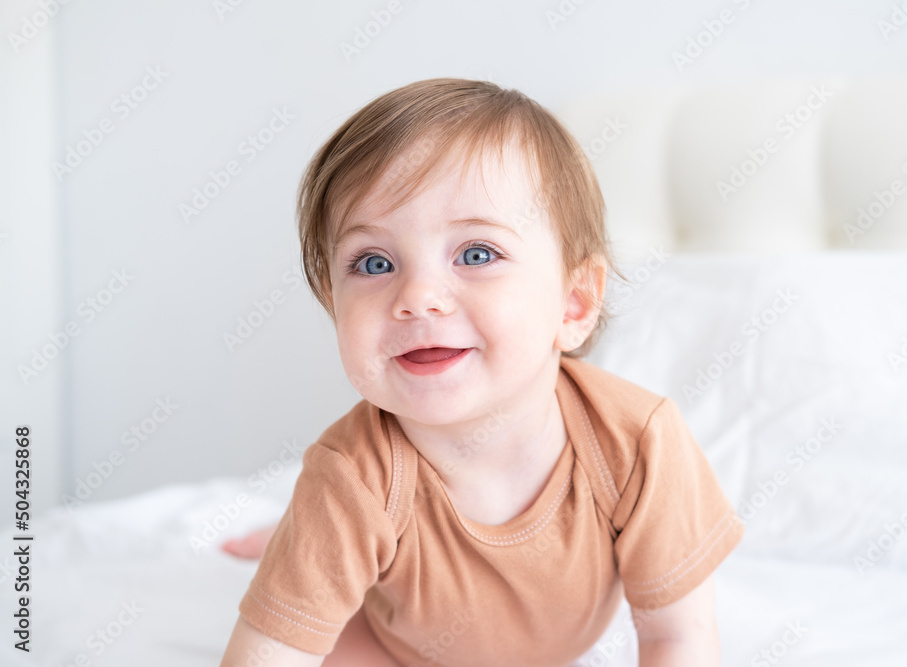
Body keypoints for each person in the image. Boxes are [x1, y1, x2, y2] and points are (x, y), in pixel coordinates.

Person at [219, 78, 743, 667]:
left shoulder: (639, 444)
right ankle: (301, 548)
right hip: (394, 644)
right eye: (373, 262)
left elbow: (678, 638)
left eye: (476, 254)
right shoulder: (350, 481)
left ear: (573, 303)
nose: (417, 297)